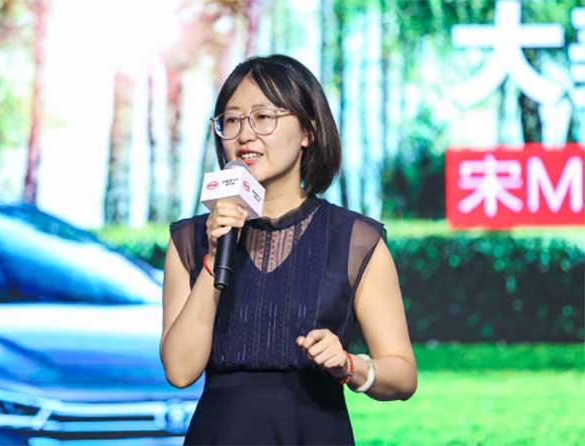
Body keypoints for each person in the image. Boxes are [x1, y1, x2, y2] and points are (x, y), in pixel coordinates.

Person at [160, 54, 417, 445]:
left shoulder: (354, 239)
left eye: (263, 117)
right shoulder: (191, 240)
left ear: (307, 132)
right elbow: (180, 371)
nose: (245, 135)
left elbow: (402, 375)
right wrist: (213, 258)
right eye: (232, 120)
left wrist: (350, 365)